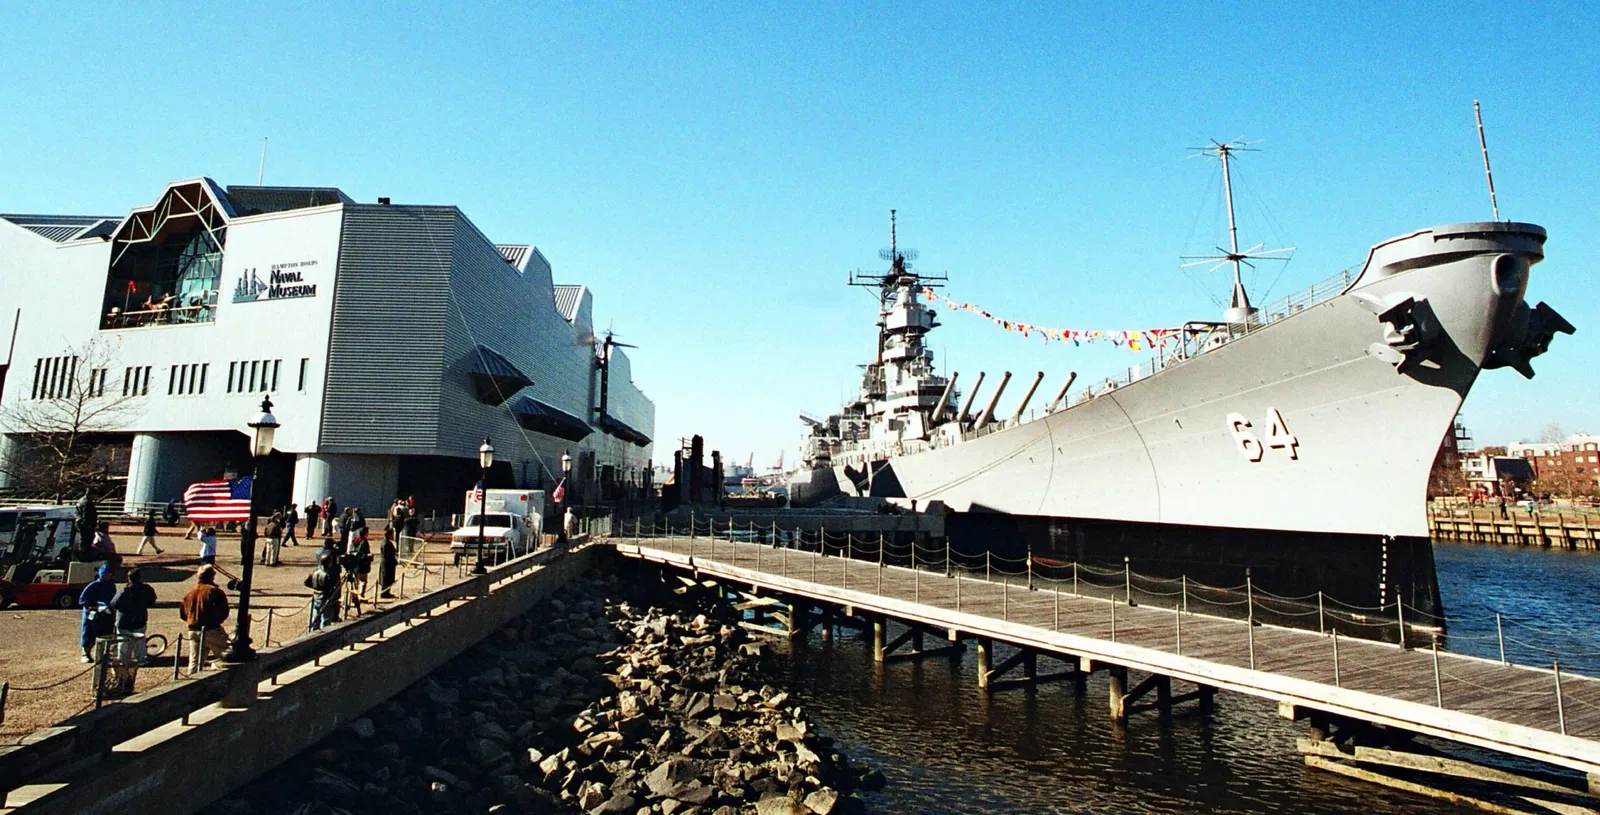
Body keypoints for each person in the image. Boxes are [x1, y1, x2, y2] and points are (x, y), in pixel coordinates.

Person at [110, 567, 157, 689]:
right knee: (140, 641)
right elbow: (152, 601)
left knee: (122, 642)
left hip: (124, 621)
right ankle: (140, 659)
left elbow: (114, 604)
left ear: (128, 578)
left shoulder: (124, 591)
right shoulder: (146, 589)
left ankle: (122, 660)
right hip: (139, 619)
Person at [179, 567, 229, 672]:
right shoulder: (215, 591)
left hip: (192, 629)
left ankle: (191, 684)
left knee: (194, 661)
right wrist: (216, 621)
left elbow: (183, 614)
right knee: (228, 653)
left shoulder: (189, 593)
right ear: (212, 576)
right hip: (211, 629)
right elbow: (223, 611)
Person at [78, 565, 117, 663]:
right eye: (104, 574)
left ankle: (104, 655)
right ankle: (85, 653)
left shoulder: (111, 585)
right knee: (89, 634)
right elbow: (82, 600)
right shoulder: (92, 586)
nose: (106, 576)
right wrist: (93, 607)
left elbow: (113, 599)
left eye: (108, 574)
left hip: (106, 614)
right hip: (93, 615)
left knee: (106, 634)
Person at [305, 552, 341, 630]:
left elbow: (306, 583)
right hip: (326, 599)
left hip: (316, 596)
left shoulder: (315, 571)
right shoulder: (329, 574)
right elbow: (333, 587)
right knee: (326, 621)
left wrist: (315, 587)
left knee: (314, 620)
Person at [379, 527, 398, 599]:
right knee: (386, 579)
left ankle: (387, 592)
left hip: (388, 564)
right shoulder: (386, 544)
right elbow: (389, 555)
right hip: (387, 564)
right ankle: (384, 593)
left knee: (388, 579)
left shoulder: (387, 542)